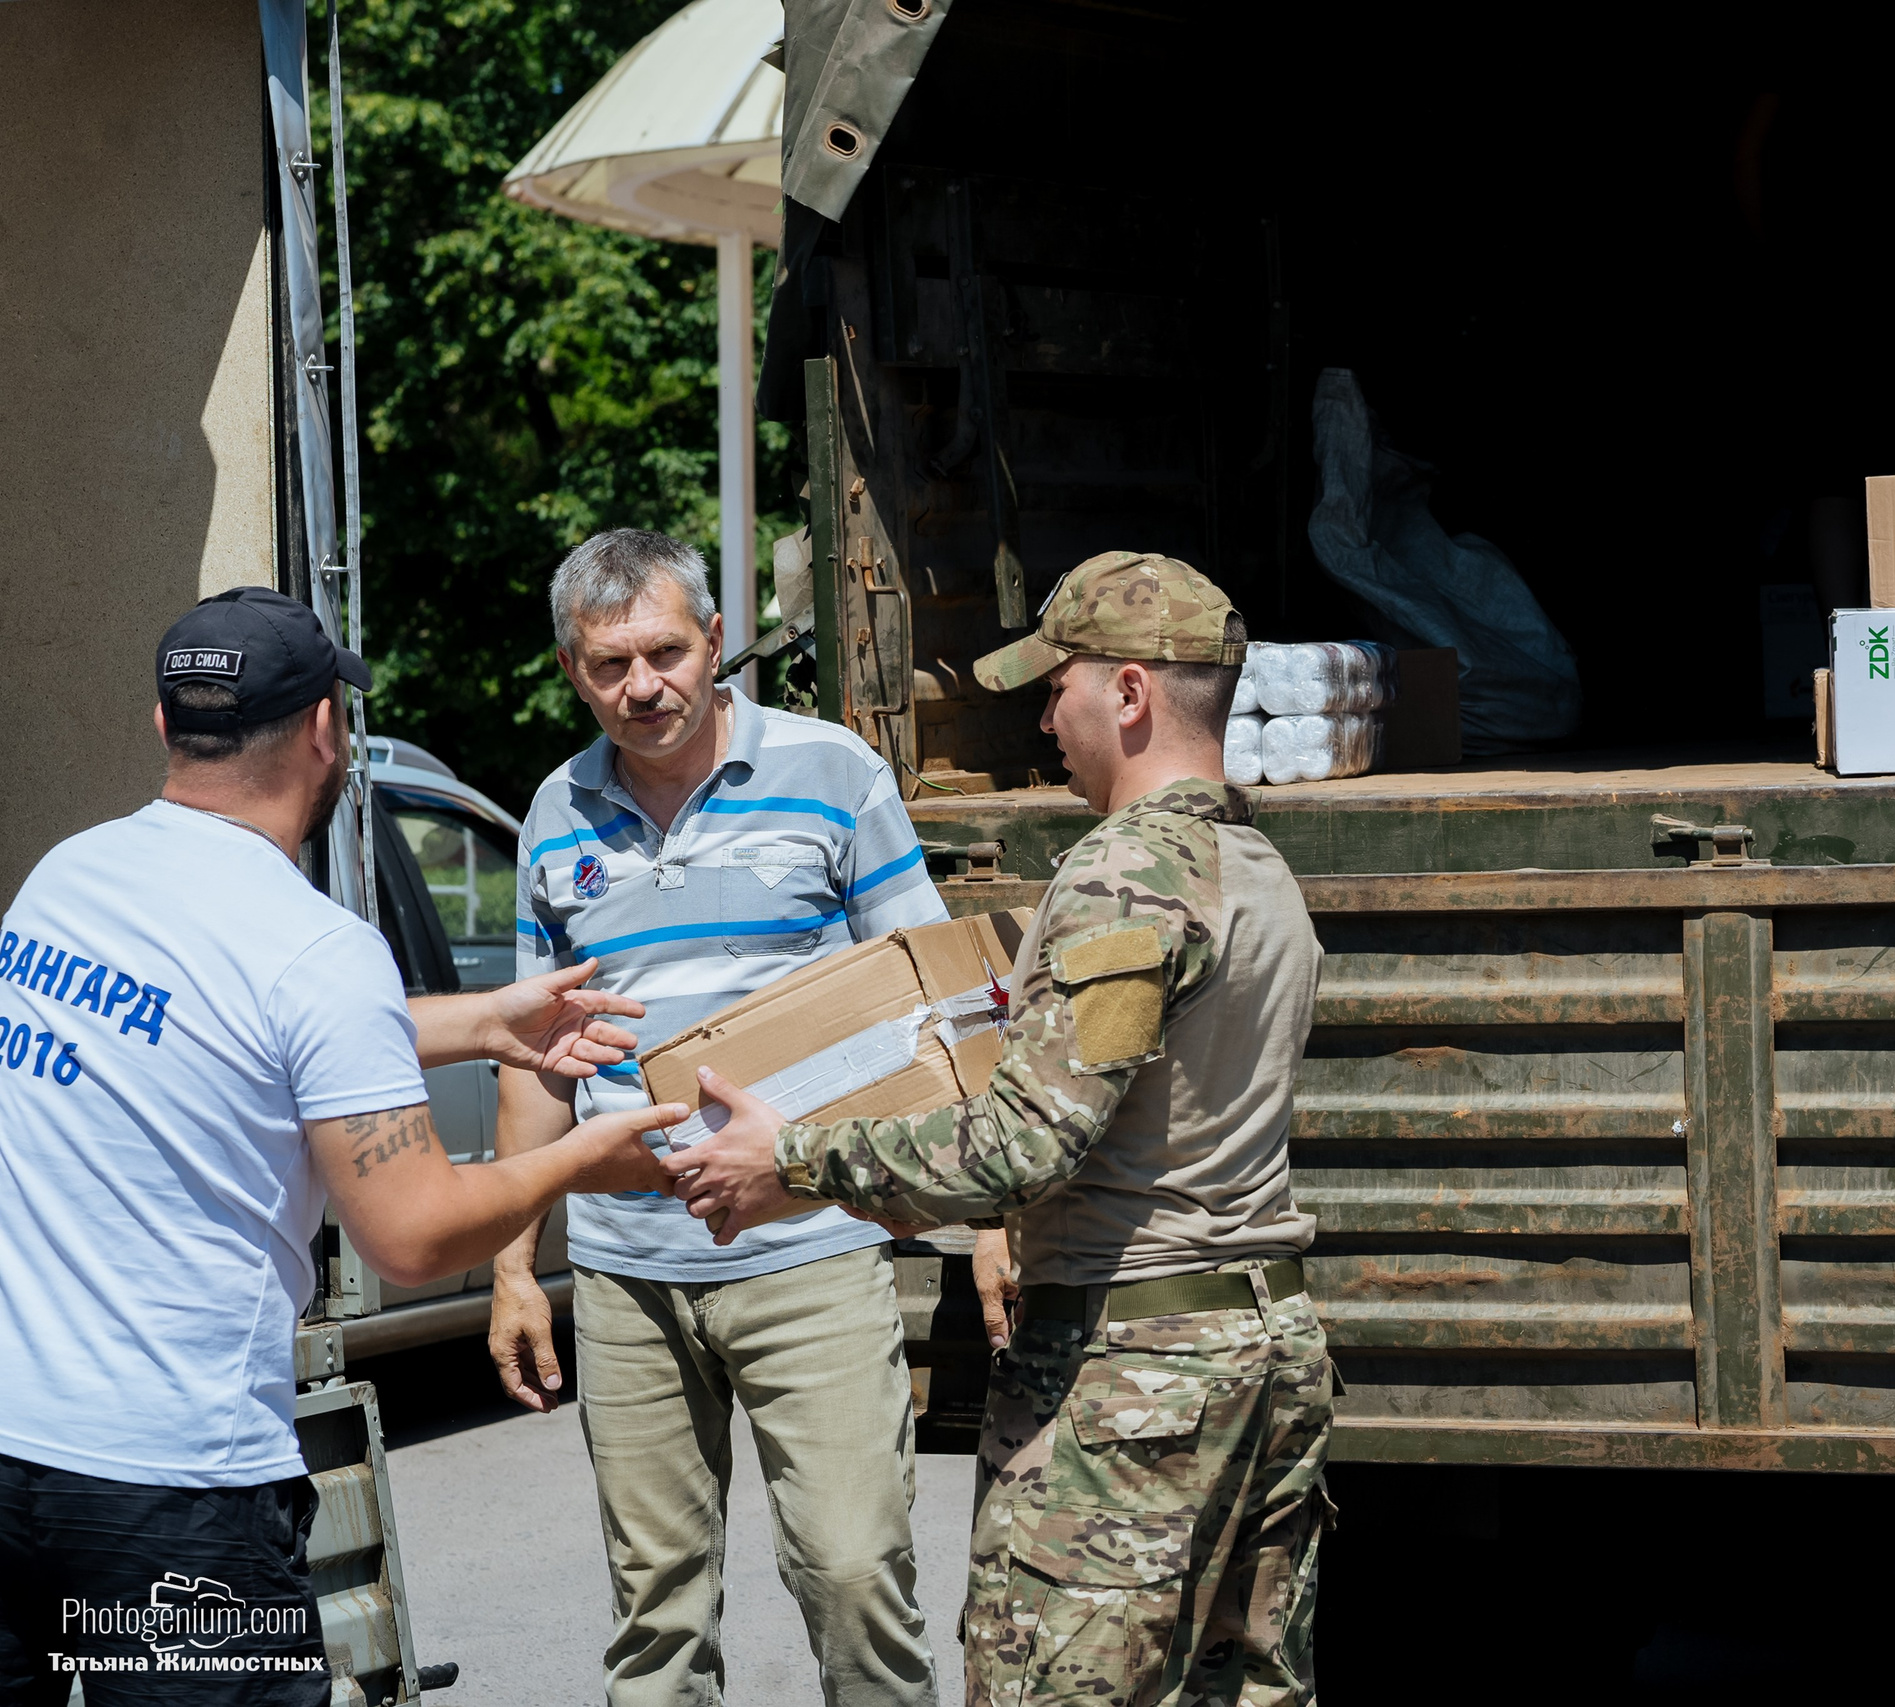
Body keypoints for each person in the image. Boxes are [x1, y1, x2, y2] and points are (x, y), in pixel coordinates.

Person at [667, 550, 1333, 1706]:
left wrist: (791, 1158)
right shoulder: (1260, 866)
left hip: (1133, 1380)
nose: (1044, 717)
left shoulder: (1125, 874)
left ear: (1127, 694)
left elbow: (1023, 1148)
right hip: (1260, 1355)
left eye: (1057, 685)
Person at [0, 586, 677, 1706]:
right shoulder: (314, 947)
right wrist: (583, 1160)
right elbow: (412, 1239)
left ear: (166, 729)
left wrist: (481, 1021)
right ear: (328, 731)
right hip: (176, 1495)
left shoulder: (69, 880)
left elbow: (212, 1036)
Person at [491, 530, 949, 1706]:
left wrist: (982, 1213)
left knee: (854, 1577)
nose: (641, 687)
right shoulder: (554, 811)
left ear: (713, 641)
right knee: (656, 1612)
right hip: (625, 1272)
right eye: (608, 666)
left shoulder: (832, 771)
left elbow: (934, 993)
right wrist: (510, 1263)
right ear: (569, 670)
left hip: (811, 1249)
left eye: (663, 652)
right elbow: (537, 1056)